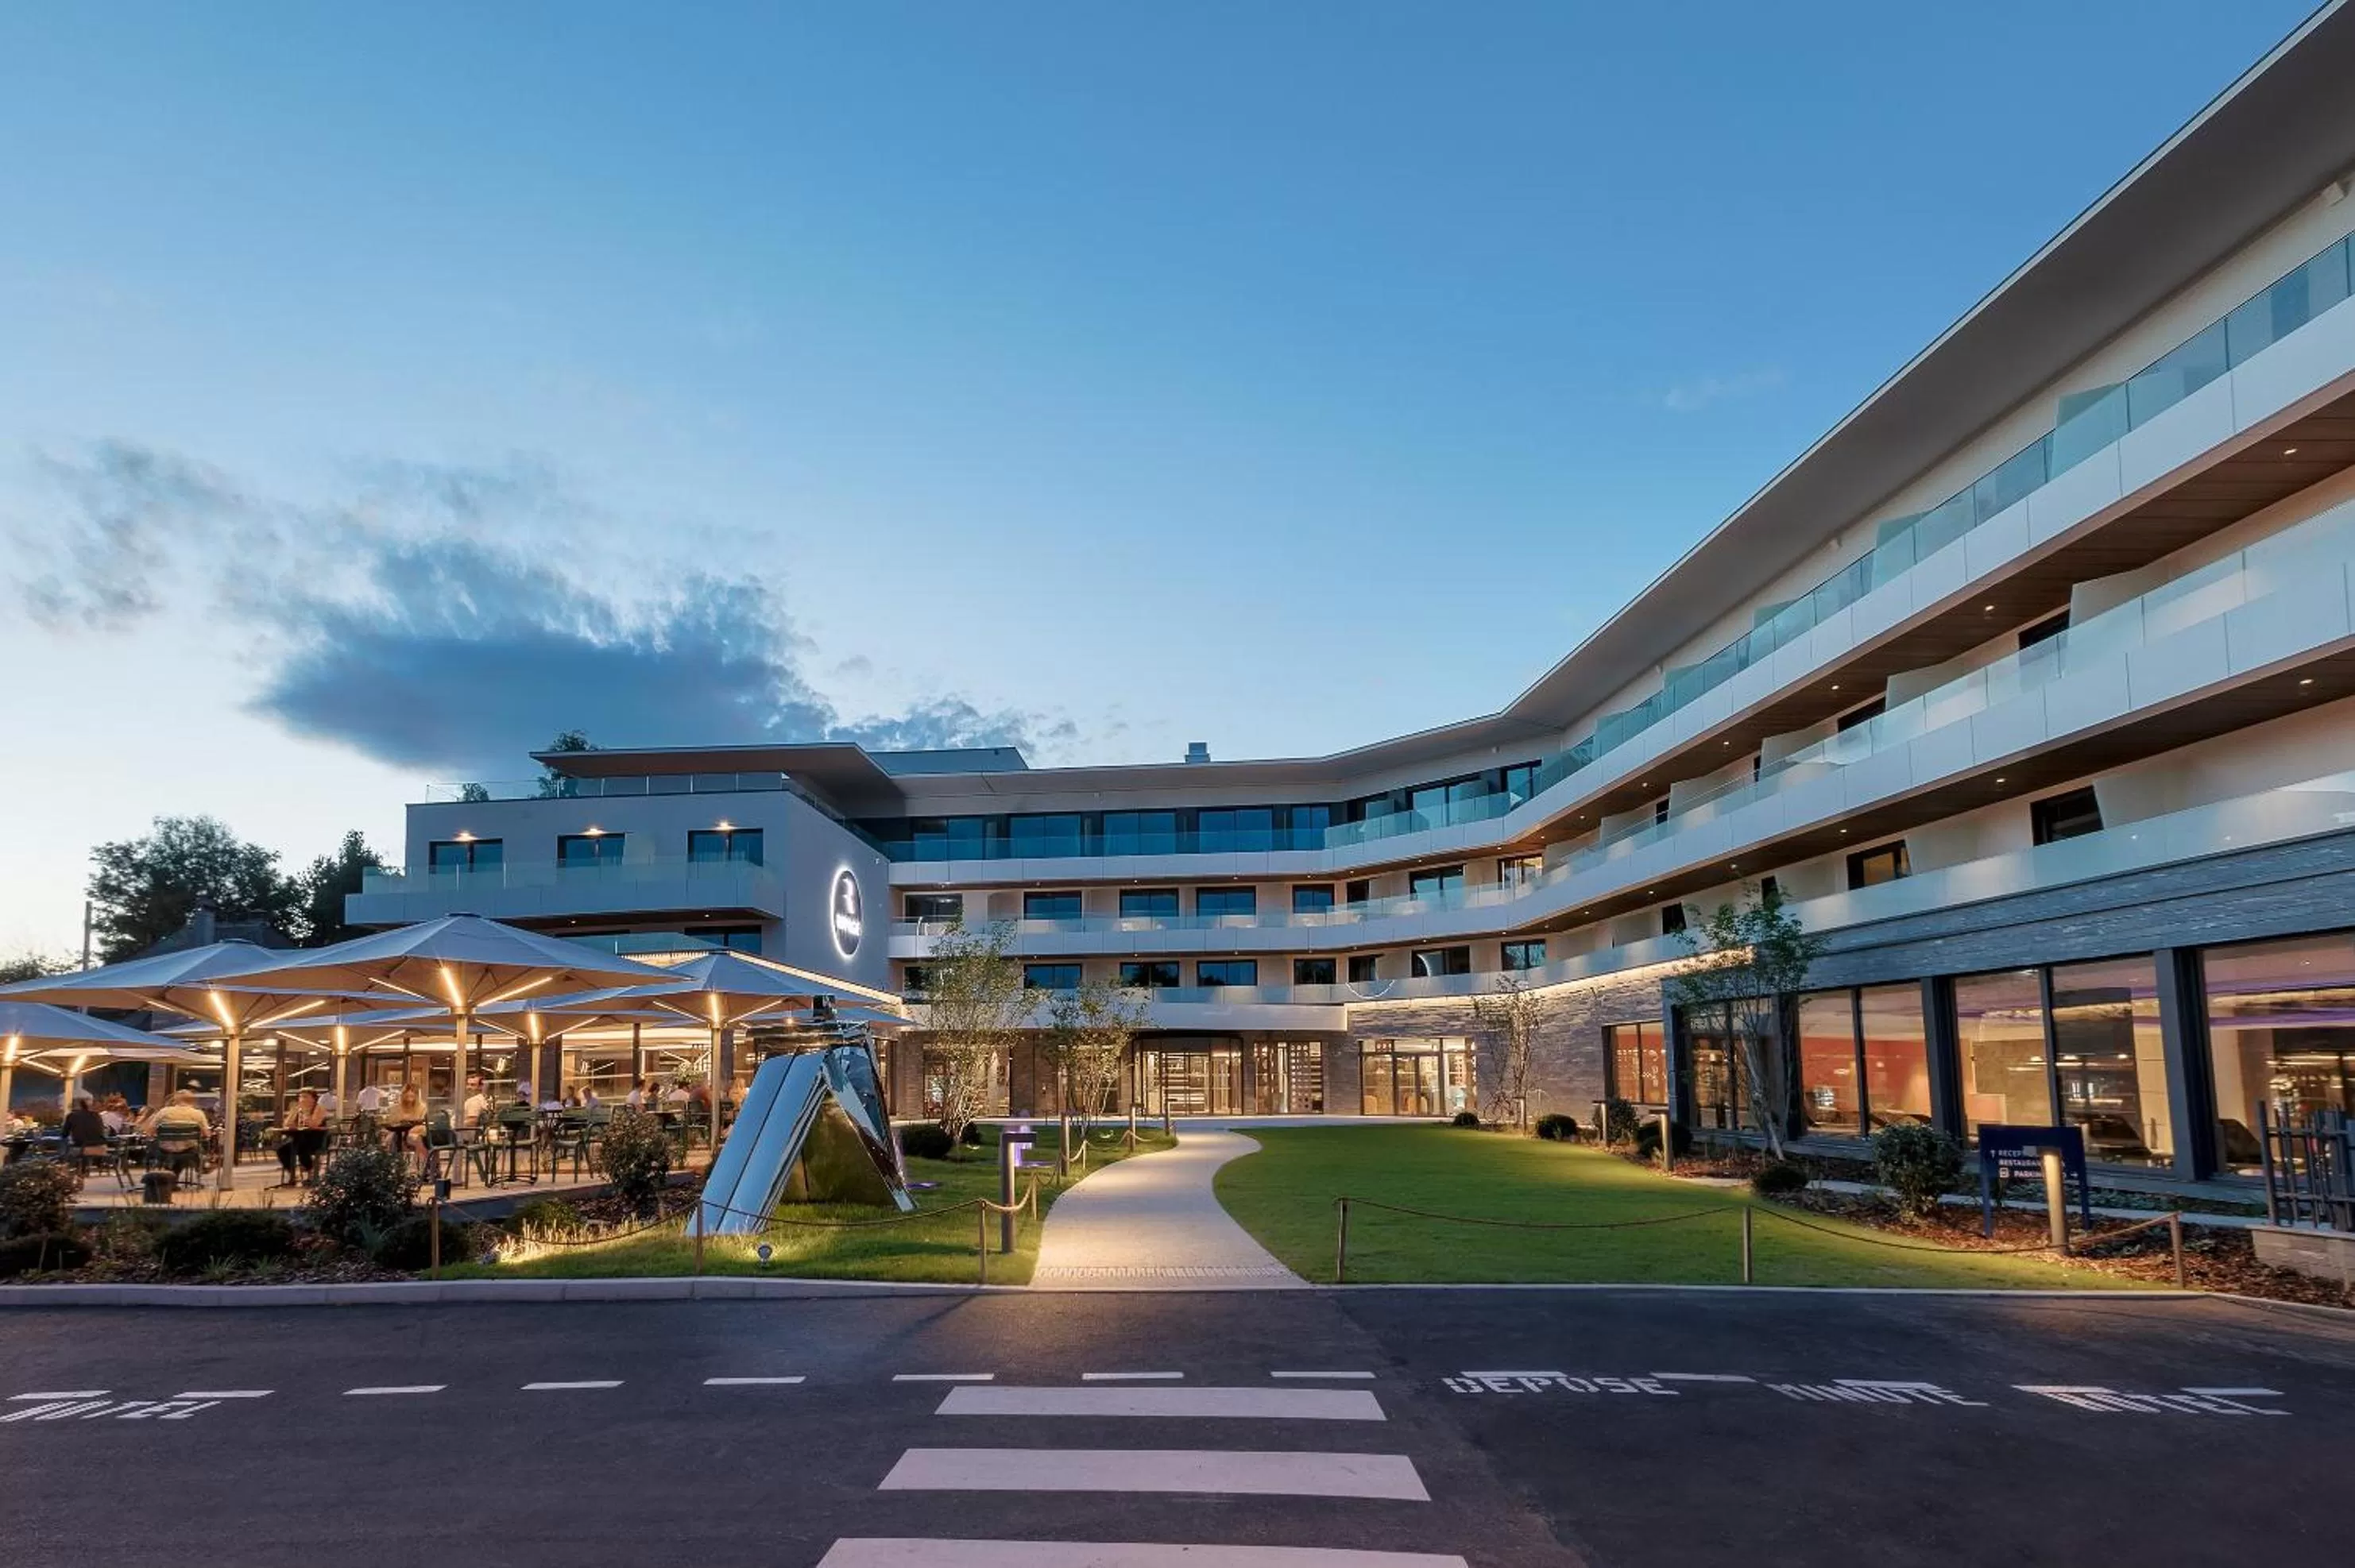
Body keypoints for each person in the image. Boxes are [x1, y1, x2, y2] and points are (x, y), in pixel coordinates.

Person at [139, 1091, 213, 1185]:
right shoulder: (198, 1114)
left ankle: (166, 1181)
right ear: (193, 1101)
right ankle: (202, 1165)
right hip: (189, 1152)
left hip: (163, 1151)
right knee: (191, 1150)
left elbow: (149, 1132)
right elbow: (207, 1134)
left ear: (175, 1100)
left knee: (164, 1149)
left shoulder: (164, 1112)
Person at [277, 1089, 329, 1185]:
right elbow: (286, 1124)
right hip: (300, 1137)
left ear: (313, 1099)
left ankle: (311, 1171)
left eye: (305, 1097)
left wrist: (305, 1113)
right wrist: (293, 1114)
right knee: (282, 1150)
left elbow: (314, 1124)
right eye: (300, 1097)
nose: (302, 1099)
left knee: (301, 1147)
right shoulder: (298, 1109)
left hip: (317, 1138)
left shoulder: (319, 1109)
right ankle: (293, 1174)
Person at [62, 1095, 110, 1186]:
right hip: (102, 1148)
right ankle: (82, 1173)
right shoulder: (96, 1115)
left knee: (65, 1153)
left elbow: (64, 1134)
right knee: (80, 1147)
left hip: (84, 1149)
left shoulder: (71, 1116)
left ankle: (67, 1178)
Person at [386, 1083, 426, 1158]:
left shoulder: (422, 1107)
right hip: (397, 1134)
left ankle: (422, 1164)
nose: (410, 1094)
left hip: (415, 1134)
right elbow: (391, 1123)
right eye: (407, 1093)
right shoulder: (395, 1108)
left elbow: (422, 1124)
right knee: (393, 1138)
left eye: (413, 1092)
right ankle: (395, 1162)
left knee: (419, 1140)